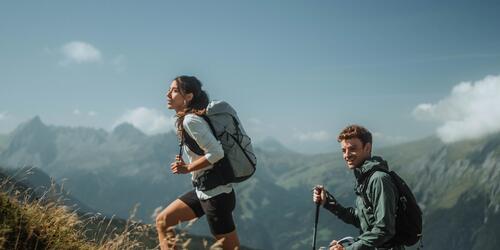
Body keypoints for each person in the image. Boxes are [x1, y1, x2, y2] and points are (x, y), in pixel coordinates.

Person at [156, 75, 240, 250]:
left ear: (188, 96)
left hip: (216, 198)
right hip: (205, 191)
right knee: (163, 221)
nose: (168, 94)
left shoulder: (191, 120)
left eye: (174, 90)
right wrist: (189, 162)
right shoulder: (189, 118)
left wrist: (187, 168)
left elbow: (216, 153)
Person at [313, 125, 402, 250]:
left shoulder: (379, 179)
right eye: (343, 150)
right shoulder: (364, 178)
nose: (347, 155)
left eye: (352, 149)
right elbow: (362, 219)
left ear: (367, 148)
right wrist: (328, 202)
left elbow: (385, 229)